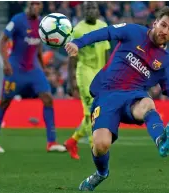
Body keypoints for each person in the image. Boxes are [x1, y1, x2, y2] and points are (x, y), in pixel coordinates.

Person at [65, 6, 169, 191]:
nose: (165, 31)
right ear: (155, 23)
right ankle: (101, 173)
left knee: (148, 103)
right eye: (163, 25)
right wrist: (78, 43)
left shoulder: (166, 61)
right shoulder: (133, 31)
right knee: (101, 145)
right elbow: (106, 32)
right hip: (106, 95)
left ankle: (160, 139)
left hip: (133, 97)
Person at [0, 1, 66, 153]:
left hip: (33, 71)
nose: (36, 6)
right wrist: (5, 62)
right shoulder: (17, 20)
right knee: (4, 102)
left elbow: (38, 47)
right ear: (28, 5)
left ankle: (51, 142)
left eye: (38, 4)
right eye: (33, 3)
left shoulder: (43, 23)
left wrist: (43, 68)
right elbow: (1, 40)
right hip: (15, 70)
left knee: (48, 98)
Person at [64, 2, 111, 160]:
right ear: (83, 11)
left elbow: (106, 53)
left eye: (94, 8)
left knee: (97, 111)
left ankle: (73, 140)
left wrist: (109, 74)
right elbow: (72, 59)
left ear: (98, 10)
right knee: (91, 112)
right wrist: (71, 82)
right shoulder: (77, 30)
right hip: (85, 73)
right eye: (88, 8)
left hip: (100, 74)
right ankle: (95, 149)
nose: (91, 11)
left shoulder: (104, 26)